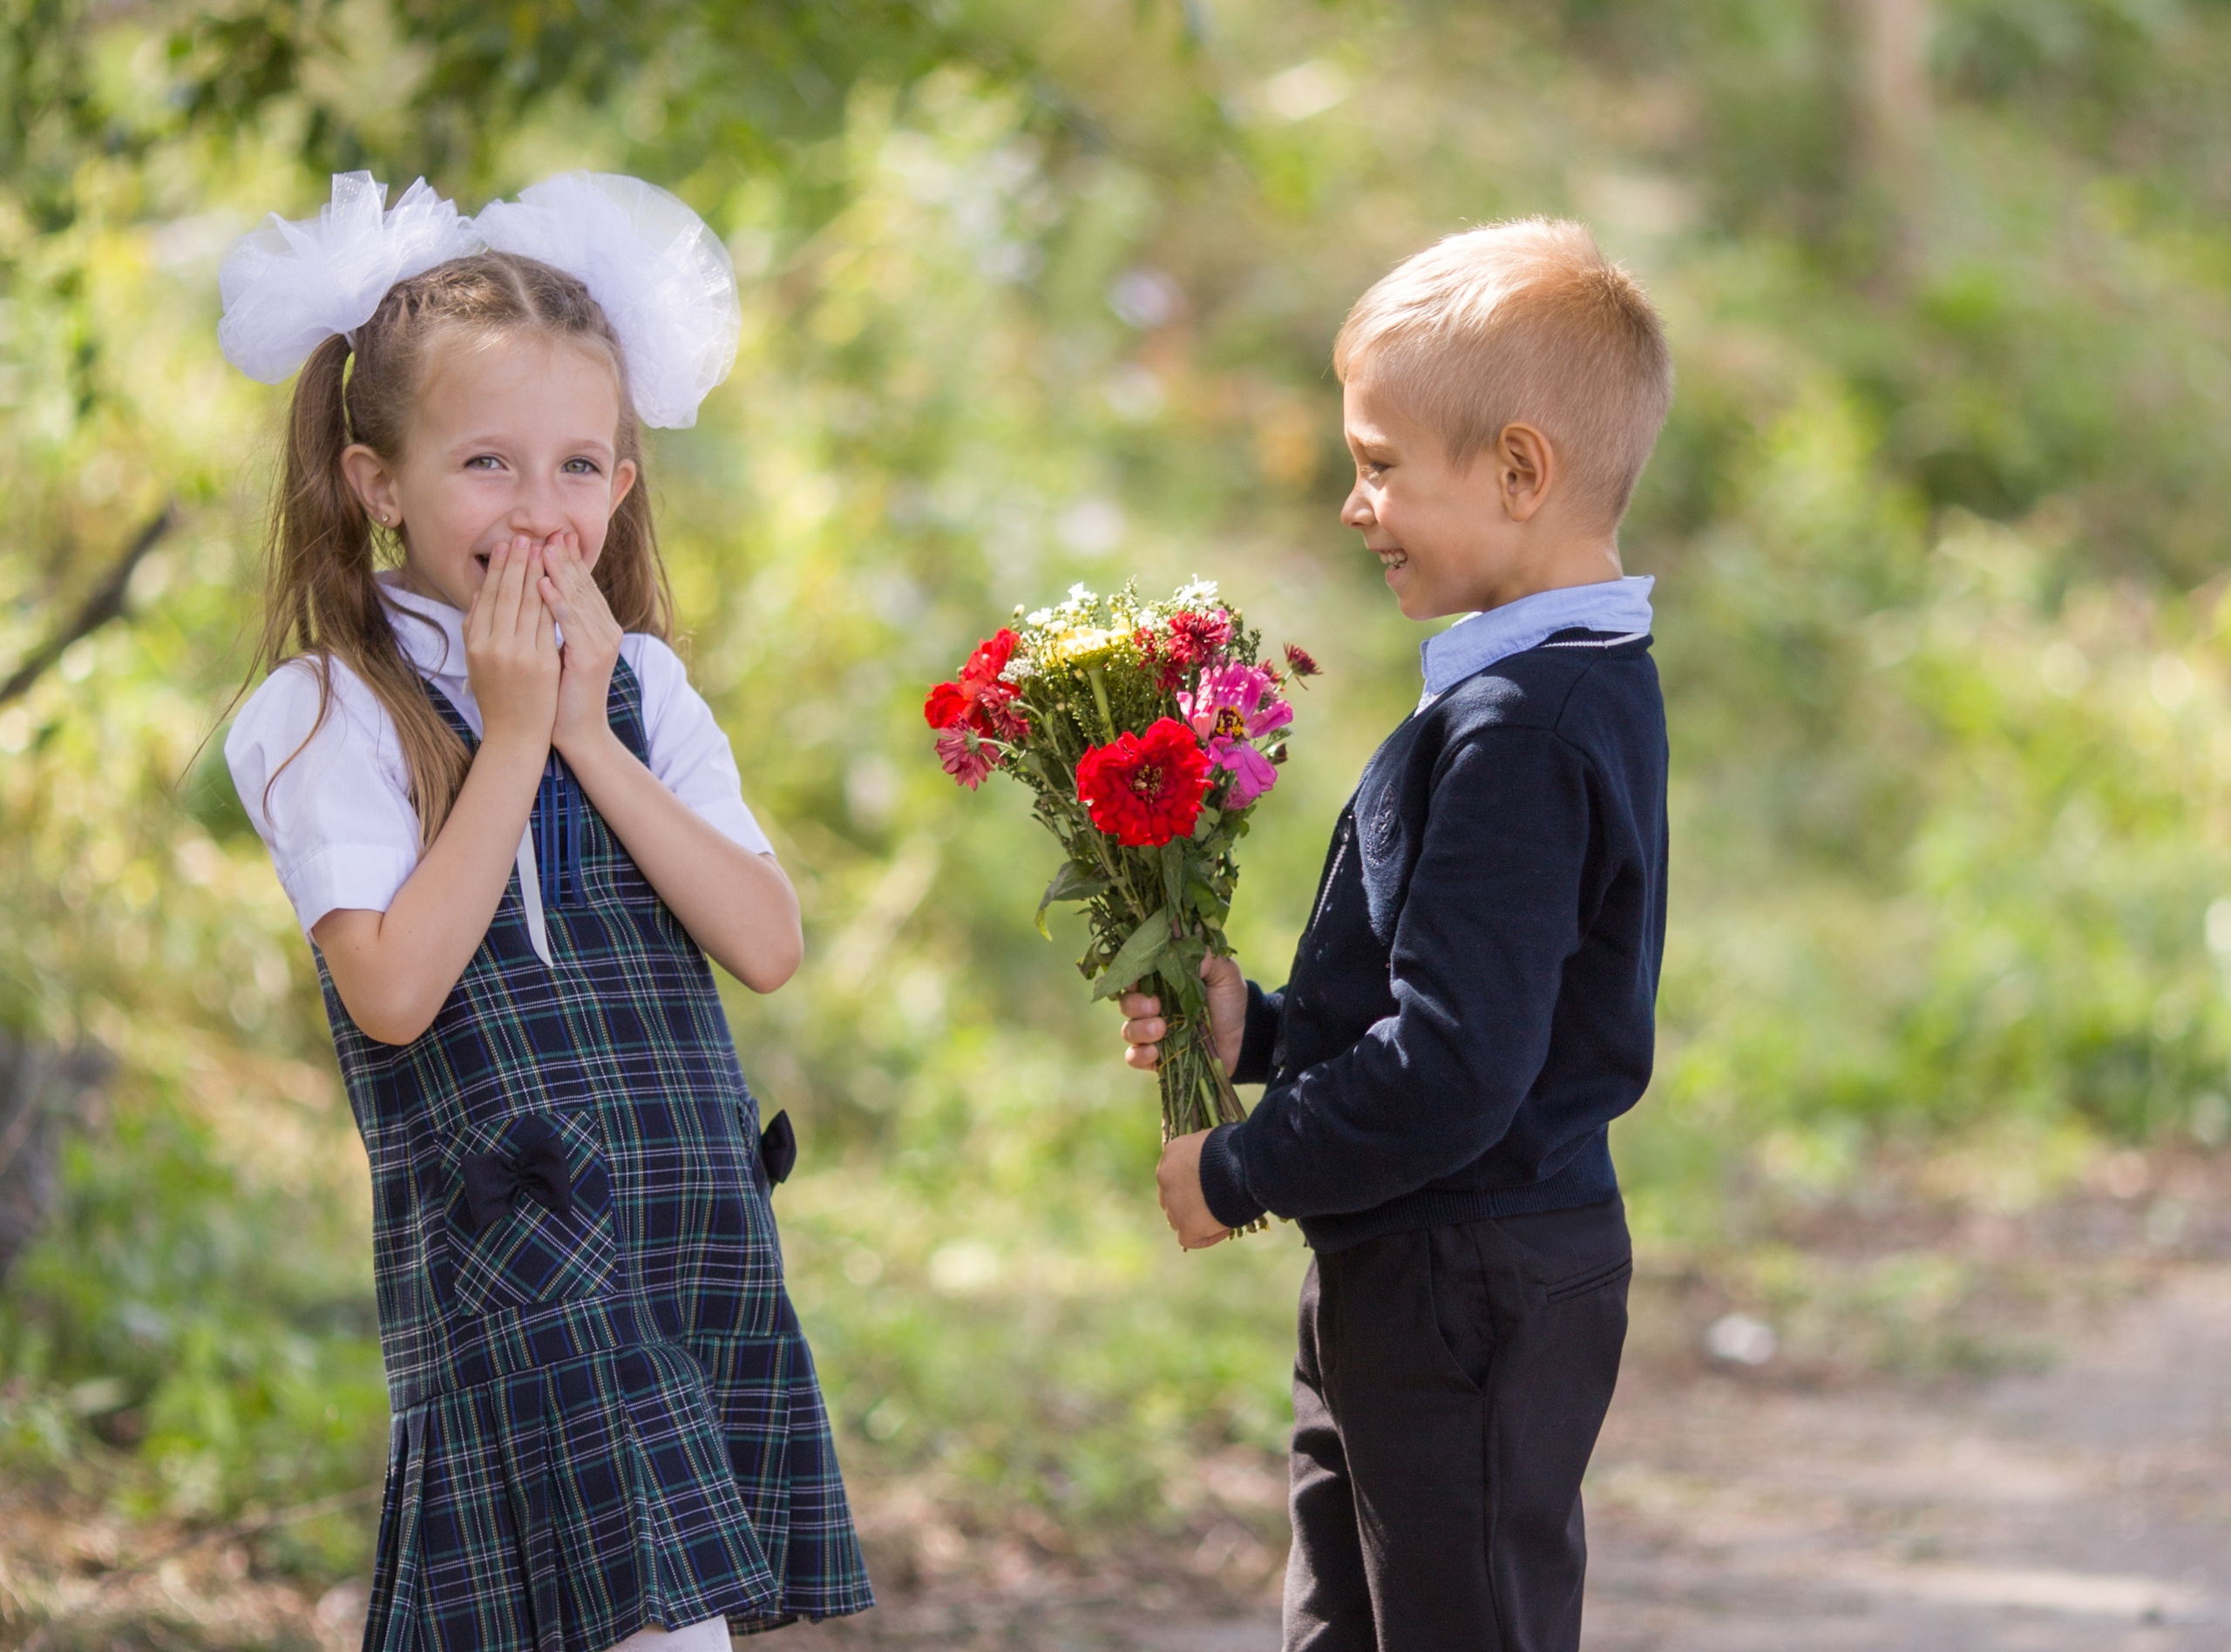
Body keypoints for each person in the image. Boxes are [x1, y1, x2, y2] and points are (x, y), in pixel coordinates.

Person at [220, 173, 871, 1652]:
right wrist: (510, 740)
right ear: (377, 480)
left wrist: (583, 730)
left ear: (625, 485)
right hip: (518, 1266)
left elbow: (765, 942)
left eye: (580, 467)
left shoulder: (645, 685)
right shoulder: (323, 706)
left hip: (683, 1228)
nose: (539, 512)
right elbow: (391, 987)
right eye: (488, 465)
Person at [1120, 218, 1673, 1651]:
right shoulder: (1572, 684)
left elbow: (1459, 1064)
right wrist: (1270, 1032)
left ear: (1519, 469)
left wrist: (1240, 1171)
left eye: (1379, 467)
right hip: (1421, 1256)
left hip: (1465, 1276)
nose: (1355, 506)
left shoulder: (1524, 723)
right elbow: (1479, 1005)